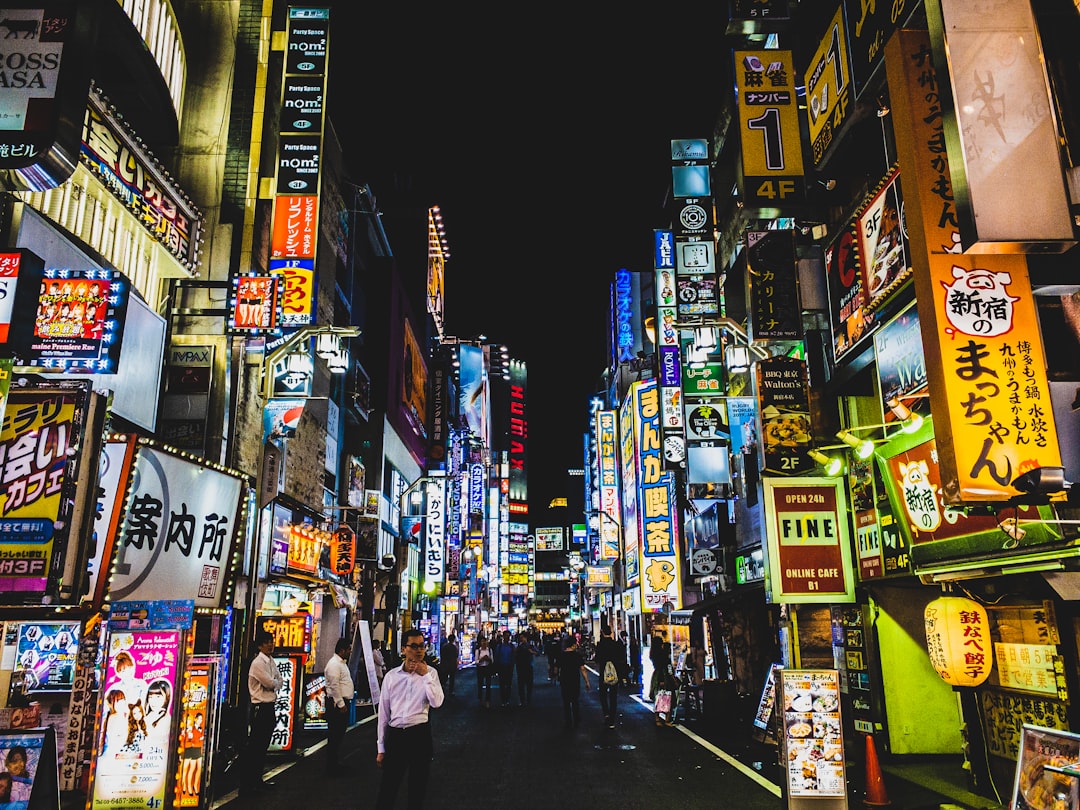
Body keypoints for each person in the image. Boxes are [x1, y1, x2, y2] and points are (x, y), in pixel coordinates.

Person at [375, 628, 444, 810]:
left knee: (417, 790)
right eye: (414, 646)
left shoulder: (431, 673)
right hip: (396, 735)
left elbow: (437, 703)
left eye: (422, 646)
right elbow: (384, 714)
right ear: (404, 649)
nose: (419, 650)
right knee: (388, 789)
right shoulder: (391, 677)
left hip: (419, 734)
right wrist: (381, 747)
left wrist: (426, 676)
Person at [241, 630, 282, 797]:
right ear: (259, 645)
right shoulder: (258, 663)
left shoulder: (271, 661)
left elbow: (279, 681)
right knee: (255, 748)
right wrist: (274, 683)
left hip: (269, 707)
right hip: (260, 708)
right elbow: (271, 683)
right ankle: (248, 785)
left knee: (263, 747)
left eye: (271, 641)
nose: (270, 644)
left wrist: (275, 683)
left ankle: (257, 781)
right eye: (266, 642)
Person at [324, 637, 354, 775]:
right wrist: (341, 704)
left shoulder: (340, 663)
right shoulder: (334, 664)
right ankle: (331, 765)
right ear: (342, 650)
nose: (350, 651)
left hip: (340, 702)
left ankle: (334, 763)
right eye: (348, 649)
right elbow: (334, 686)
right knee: (335, 734)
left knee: (338, 734)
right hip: (336, 704)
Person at [595, 626, 627, 729]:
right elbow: (622, 658)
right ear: (611, 633)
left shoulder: (600, 645)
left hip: (604, 672)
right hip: (615, 673)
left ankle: (606, 714)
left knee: (603, 695)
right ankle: (612, 718)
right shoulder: (617, 644)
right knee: (613, 696)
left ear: (602, 633)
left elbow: (597, 659)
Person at [559, 636, 589, 729]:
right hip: (574, 680)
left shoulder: (562, 655)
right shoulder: (577, 655)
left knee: (566, 701)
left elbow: (556, 668)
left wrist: (556, 675)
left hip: (564, 680)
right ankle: (576, 719)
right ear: (573, 645)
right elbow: (583, 669)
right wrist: (587, 681)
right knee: (575, 700)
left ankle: (568, 720)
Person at [514, 632, 537, 707]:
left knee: (529, 684)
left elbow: (537, 652)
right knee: (521, 684)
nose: (521, 639)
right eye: (520, 638)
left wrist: (532, 652)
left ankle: (528, 699)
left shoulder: (530, 645)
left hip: (528, 666)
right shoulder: (518, 646)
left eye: (522, 637)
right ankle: (522, 700)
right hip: (520, 667)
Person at [493, 630, 515, 707]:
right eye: (506, 636)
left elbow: (514, 656)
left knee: (508, 684)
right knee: (502, 684)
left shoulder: (512, 646)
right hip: (501, 667)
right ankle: (503, 700)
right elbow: (496, 657)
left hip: (509, 667)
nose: (507, 637)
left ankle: (507, 699)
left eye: (508, 636)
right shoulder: (499, 647)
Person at [648, 633, 671, 701]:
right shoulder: (661, 654)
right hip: (662, 675)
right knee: (665, 693)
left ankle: (659, 707)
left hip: (657, 674)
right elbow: (664, 665)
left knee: (658, 694)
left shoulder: (653, 653)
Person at [474, 637, 494, 707]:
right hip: (480, 668)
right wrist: (481, 659)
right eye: (482, 642)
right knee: (480, 684)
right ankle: (480, 699)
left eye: (485, 642)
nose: (484, 643)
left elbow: (492, 660)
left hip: (488, 668)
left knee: (488, 685)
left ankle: (487, 700)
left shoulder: (490, 650)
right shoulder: (478, 651)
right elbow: (476, 661)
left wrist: (488, 659)